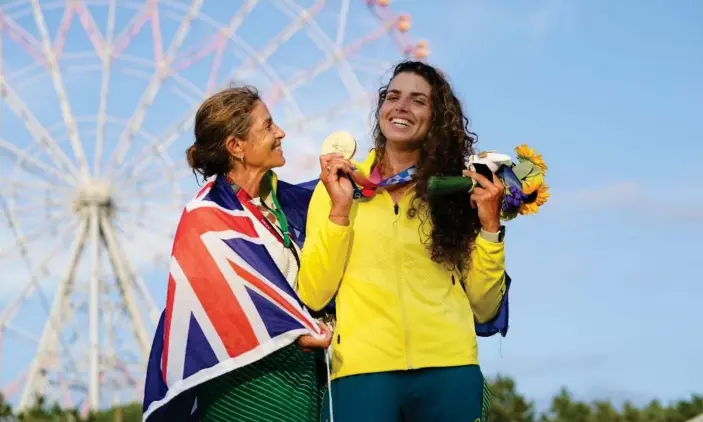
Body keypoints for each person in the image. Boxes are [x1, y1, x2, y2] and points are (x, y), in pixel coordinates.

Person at [297, 61, 509, 422]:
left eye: (417, 100)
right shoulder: (338, 187)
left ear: (437, 117)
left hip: (449, 369)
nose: (401, 107)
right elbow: (313, 294)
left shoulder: (458, 190)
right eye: (393, 96)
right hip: (361, 374)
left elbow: (485, 307)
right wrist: (340, 212)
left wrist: (490, 226)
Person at [142, 86, 332, 422]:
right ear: (236, 146)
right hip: (244, 390)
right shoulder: (203, 220)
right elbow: (219, 310)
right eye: (268, 126)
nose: (280, 132)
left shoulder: (293, 204)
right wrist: (296, 327)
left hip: (305, 381)